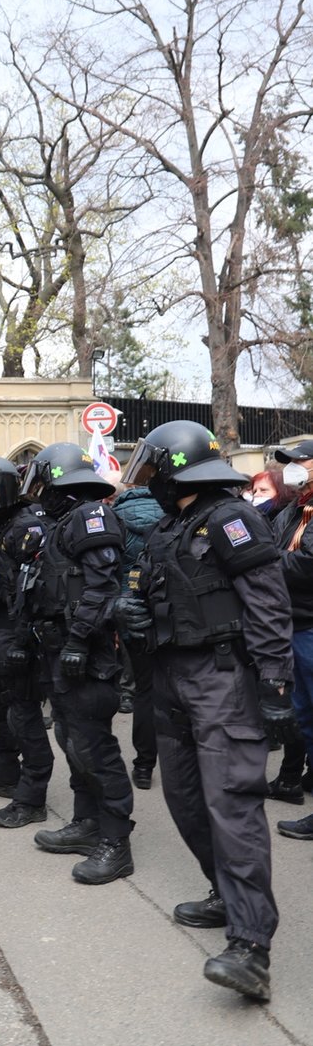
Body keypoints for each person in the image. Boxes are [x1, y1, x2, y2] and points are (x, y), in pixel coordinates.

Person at [118, 421, 293, 1002]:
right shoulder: (172, 526)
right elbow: (146, 591)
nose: (149, 479)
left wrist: (274, 683)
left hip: (223, 680)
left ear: (176, 468)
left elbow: (268, 604)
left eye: (154, 467)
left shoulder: (231, 518)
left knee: (232, 805)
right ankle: (224, 892)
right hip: (171, 678)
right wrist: (131, 608)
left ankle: (251, 946)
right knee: (186, 797)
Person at [21, 443, 135, 885]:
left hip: (85, 655)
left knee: (95, 747)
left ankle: (115, 841)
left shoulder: (92, 517)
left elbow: (101, 587)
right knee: (72, 739)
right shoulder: (63, 522)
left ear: (57, 481)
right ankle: (86, 824)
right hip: (61, 650)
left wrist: (78, 641)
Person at [0, 454, 54, 827]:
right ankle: (4, 773)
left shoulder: (28, 528)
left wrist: (22, 640)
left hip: (16, 635)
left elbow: (38, 592)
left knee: (24, 715)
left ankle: (32, 797)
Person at [269, 439, 313, 832]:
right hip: (294, 623)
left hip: (309, 627)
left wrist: (268, 561)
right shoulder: (292, 510)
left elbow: (307, 564)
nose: (293, 468)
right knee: (304, 716)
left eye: (301, 461)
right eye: (289, 462)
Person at [111, 478, 164, 789]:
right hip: (170, 612)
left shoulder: (116, 519)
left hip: (131, 610)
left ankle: (144, 766)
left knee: (144, 691)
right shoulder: (174, 514)